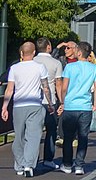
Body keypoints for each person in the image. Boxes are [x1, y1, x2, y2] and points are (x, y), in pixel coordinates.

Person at [2, 41, 54, 177]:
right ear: (34, 53)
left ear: (21, 53)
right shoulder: (40, 67)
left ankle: (19, 164)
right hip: (35, 105)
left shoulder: (14, 68)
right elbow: (45, 87)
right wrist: (50, 103)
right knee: (33, 137)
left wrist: (4, 107)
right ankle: (28, 165)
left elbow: (9, 89)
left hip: (18, 105)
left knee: (19, 137)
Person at [57, 41, 96, 175]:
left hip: (70, 106)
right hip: (85, 106)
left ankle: (67, 164)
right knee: (83, 137)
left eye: (76, 50)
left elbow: (64, 88)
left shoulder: (70, 67)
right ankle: (79, 165)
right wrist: (95, 104)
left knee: (68, 137)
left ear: (80, 52)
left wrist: (62, 102)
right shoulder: (94, 68)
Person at [33, 38, 63, 171]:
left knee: (33, 132)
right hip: (49, 101)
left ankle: (31, 161)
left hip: (33, 101)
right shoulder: (56, 63)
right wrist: (62, 101)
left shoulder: (31, 62)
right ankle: (48, 159)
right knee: (51, 131)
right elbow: (58, 84)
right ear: (49, 47)